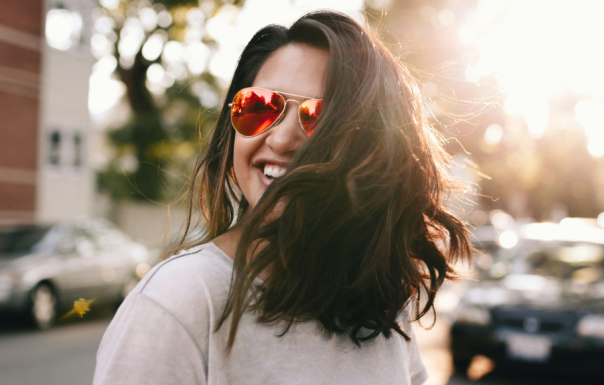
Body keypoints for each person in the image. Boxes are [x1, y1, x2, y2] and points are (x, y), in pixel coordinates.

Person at [93, 11, 471, 385]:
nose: (282, 139)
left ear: (375, 150)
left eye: (321, 118)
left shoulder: (378, 301)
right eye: (259, 107)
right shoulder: (178, 302)